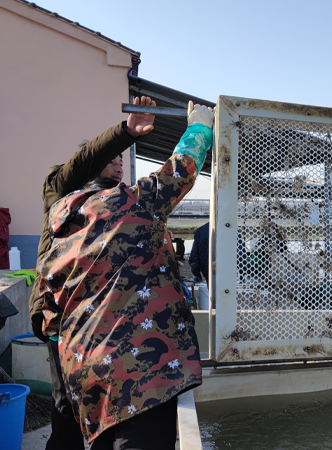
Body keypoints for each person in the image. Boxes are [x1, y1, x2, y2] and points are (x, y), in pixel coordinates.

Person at [35, 101, 214, 448]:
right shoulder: (132, 203)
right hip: (140, 373)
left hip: (85, 373)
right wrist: (200, 126)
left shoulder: (58, 227)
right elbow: (180, 169)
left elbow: (49, 314)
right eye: (113, 160)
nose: (119, 165)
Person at [25, 96, 156, 450]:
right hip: (61, 317)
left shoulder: (120, 202)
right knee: (65, 406)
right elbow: (84, 160)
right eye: (111, 159)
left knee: (104, 401)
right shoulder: (60, 190)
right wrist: (126, 133)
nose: (118, 165)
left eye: (121, 161)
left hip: (102, 319)